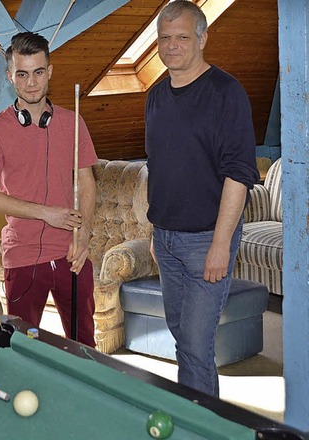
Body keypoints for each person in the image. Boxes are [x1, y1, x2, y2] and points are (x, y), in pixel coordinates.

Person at [145, 0, 260, 397]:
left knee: (195, 347)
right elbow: (159, 168)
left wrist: (221, 245)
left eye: (181, 37)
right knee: (182, 340)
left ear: (202, 38)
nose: (172, 45)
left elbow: (238, 176)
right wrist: (155, 234)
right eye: (164, 38)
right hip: (166, 238)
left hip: (206, 241)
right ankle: (197, 417)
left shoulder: (226, 93)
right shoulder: (155, 96)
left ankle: (203, 427)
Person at [0, 32, 98, 347]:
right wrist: (47, 214)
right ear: (9, 76)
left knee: (85, 346)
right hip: (23, 255)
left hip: (72, 253)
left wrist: (84, 236)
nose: (31, 83)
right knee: (22, 345)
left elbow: (87, 181)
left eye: (38, 72)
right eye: (22, 74)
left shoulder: (73, 122)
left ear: (50, 71)